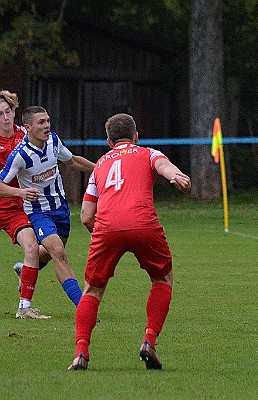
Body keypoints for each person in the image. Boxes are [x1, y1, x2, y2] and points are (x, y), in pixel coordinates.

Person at [67, 113, 191, 371]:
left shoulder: (99, 165)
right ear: (136, 137)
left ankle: (81, 353)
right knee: (162, 279)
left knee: (92, 290)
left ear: (109, 141)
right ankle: (149, 340)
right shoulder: (147, 153)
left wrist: (101, 234)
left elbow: (86, 216)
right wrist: (176, 176)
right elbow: (164, 166)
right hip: (143, 224)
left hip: (107, 228)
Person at [0, 105, 95, 309]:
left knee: (51, 251)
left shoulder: (53, 141)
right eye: (41, 122)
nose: (47, 126)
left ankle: (24, 269)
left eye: (48, 121)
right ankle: (83, 306)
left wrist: (99, 169)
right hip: (38, 212)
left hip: (60, 208)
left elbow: (72, 162)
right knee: (59, 253)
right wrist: (20, 193)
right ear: (28, 127)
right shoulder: (20, 155)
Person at [0, 91, 51, 319]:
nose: (5, 118)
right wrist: (21, 191)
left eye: (8, 112)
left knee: (50, 246)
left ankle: (24, 307)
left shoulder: (25, 135)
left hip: (17, 206)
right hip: (9, 199)